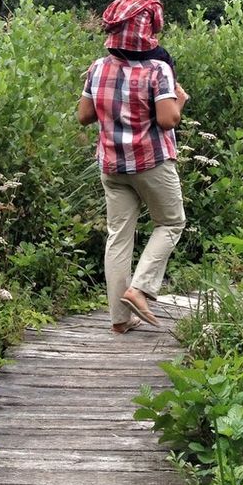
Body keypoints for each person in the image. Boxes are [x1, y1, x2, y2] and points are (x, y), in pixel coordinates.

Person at [77, 19, 189, 334]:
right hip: (150, 161)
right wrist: (180, 101)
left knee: (118, 236)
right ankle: (139, 289)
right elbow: (168, 121)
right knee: (170, 222)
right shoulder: (157, 70)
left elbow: (84, 116)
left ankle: (119, 320)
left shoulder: (98, 67)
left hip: (112, 164)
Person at [101, 0, 176, 77]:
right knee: (165, 57)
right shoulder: (153, 4)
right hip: (140, 50)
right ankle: (174, 86)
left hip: (114, 48)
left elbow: (107, 19)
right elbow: (157, 28)